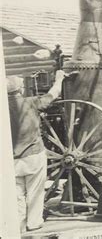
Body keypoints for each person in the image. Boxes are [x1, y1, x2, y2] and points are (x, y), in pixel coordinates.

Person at [8, 71, 65, 232]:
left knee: (17, 194)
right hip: (33, 155)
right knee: (35, 191)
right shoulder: (31, 103)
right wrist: (59, 78)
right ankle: (33, 222)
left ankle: (18, 225)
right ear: (20, 90)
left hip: (11, 160)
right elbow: (53, 94)